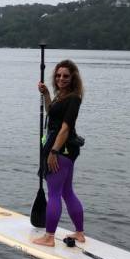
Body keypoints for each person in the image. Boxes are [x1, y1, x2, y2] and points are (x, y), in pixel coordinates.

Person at [33, 59, 85, 247]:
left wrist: (54, 151)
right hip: (65, 149)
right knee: (67, 192)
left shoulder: (73, 98)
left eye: (65, 76)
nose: (61, 78)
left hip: (61, 148)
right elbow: (51, 113)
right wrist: (46, 93)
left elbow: (65, 128)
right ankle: (79, 233)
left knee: (54, 193)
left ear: (73, 78)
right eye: (58, 75)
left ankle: (49, 237)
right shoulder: (60, 96)